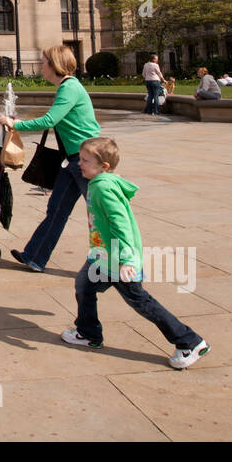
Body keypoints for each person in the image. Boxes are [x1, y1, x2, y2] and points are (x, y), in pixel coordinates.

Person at [61, 136, 210, 370]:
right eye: (80, 159)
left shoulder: (103, 187)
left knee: (141, 302)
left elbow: (122, 225)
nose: (80, 164)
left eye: (85, 160)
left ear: (104, 167)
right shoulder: (100, 183)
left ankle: (190, 342)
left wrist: (127, 259)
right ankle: (88, 333)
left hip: (118, 260)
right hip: (102, 257)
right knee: (84, 286)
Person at [0, 44, 101, 273]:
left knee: (100, 214)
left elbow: (49, 120)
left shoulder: (70, 87)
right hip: (73, 160)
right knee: (56, 210)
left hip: (87, 160)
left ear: (54, 65)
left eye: (44, 61)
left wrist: (15, 124)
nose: (41, 65)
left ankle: (114, 264)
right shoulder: (66, 87)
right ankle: (34, 257)